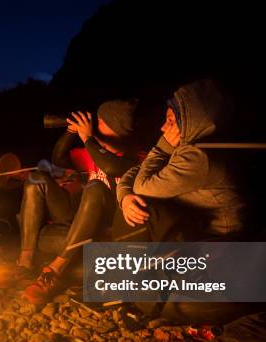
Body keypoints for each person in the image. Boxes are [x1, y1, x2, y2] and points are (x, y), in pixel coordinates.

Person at [19, 99, 141, 304]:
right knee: (36, 179)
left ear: (115, 128)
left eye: (100, 122)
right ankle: (25, 260)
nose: (94, 124)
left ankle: (56, 268)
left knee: (95, 188)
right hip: (75, 225)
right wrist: (71, 131)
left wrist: (87, 138)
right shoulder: (91, 151)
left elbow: (111, 167)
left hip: (102, 232)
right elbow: (58, 157)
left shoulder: (137, 158)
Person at [117, 79, 246, 241]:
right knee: (135, 205)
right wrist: (124, 197)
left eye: (170, 121)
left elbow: (142, 187)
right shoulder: (186, 146)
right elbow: (139, 170)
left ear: (192, 122)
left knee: (144, 205)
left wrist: (161, 149)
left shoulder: (199, 156)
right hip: (195, 222)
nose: (162, 128)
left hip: (219, 237)